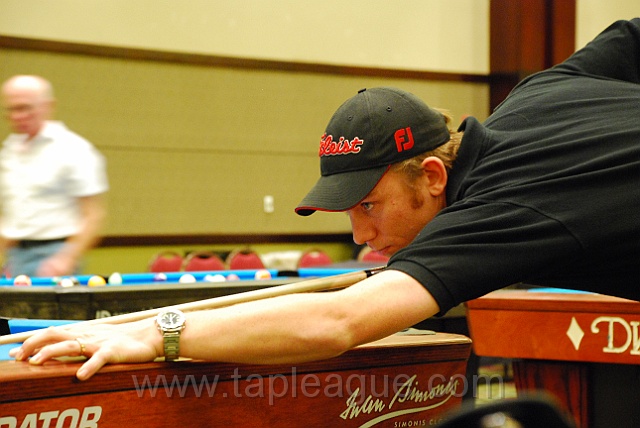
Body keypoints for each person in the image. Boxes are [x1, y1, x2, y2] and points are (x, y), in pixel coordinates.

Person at [10, 18, 640, 381]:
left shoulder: (493, 213)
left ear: (432, 176)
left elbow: (337, 322)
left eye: (369, 205)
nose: (361, 235)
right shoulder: (541, 94)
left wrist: (158, 333)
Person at [0, 75, 108, 278]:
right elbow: (13, 211)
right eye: (11, 109)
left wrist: (66, 258)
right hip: (15, 256)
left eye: (25, 108)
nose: (17, 116)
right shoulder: (9, 151)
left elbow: (94, 215)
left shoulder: (74, 149)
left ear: (48, 106)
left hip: (55, 255)